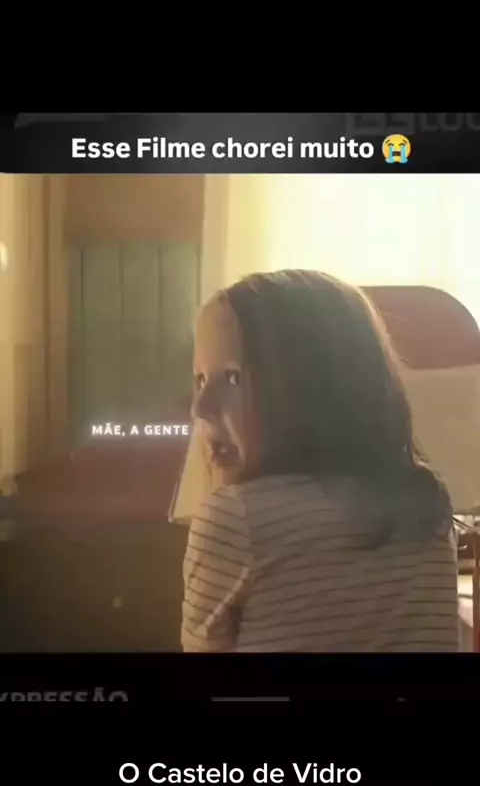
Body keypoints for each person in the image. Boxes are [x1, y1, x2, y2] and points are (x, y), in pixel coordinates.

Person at [181, 270, 459, 653]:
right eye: (200, 379)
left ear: (311, 387)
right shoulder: (428, 504)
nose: (200, 407)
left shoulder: (234, 519)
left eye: (232, 379)